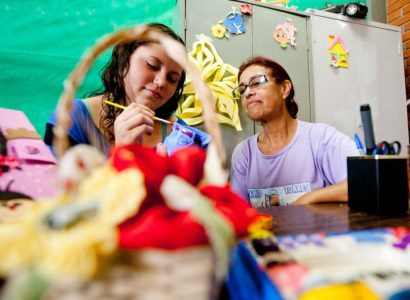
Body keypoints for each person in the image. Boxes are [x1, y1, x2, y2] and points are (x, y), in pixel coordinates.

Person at [44, 23, 209, 156]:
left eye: (172, 79)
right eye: (152, 65)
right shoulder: (71, 118)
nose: (160, 82)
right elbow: (56, 192)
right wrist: (122, 154)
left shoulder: (179, 134)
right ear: (124, 62)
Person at [230, 56, 358, 208]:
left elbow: (364, 182)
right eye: (242, 89)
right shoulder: (244, 154)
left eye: (257, 82)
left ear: (284, 89)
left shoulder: (321, 138)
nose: (248, 93)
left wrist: (309, 198)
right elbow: (238, 211)